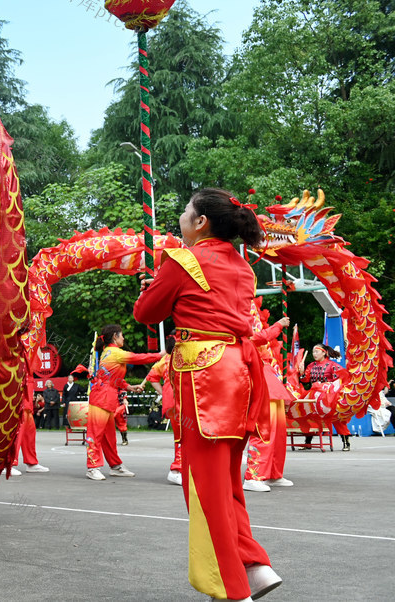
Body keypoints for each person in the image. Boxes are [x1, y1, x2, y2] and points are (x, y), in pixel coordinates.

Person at [135, 187, 282, 601]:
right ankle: (254, 565)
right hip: (239, 371)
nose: (180, 217)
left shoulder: (183, 259)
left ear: (200, 222)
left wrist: (153, 287)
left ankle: (232, 589)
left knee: (202, 486)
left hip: (203, 375)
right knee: (226, 480)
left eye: (185, 211)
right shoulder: (242, 265)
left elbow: (147, 314)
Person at [85, 325, 158, 481]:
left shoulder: (107, 353)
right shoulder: (116, 353)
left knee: (109, 436)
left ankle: (115, 466)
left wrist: (130, 387)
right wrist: (161, 355)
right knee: (96, 434)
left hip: (106, 397)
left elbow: (115, 380)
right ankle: (92, 467)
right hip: (101, 398)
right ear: (114, 337)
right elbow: (140, 358)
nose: (123, 338)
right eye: (121, 335)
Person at [243, 315, 295, 492]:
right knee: (263, 432)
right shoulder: (240, 335)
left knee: (279, 434)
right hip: (258, 384)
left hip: (271, 383)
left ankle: (273, 473)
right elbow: (259, 337)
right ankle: (253, 475)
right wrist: (279, 325)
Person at [299, 344, 353, 451]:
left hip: (328, 396)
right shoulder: (311, 365)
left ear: (324, 352)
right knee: (307, 413)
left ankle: (346, 441)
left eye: (316, 352)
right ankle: (308, 442)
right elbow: (305, 380)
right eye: (313, 352)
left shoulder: (332, 365)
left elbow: (340, 379)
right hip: (313, 396)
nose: (314, 354)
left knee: (335, 417)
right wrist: (301, 372)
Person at [145, 341, 182, 485]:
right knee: (184, 437)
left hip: (172, 400)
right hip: (181, 400)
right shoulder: (184, 356)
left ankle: (181, 469)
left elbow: (152, 377)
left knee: (181, 436)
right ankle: (177, 469)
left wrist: (164, 393)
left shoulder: (165, 359)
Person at [11, 362, 49, 473]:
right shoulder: (19, 350)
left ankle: (31, 462)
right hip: (18, 398)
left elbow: (36, 364)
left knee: (29, 433)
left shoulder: (30, 357)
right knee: (17, 433)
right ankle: (8, 463)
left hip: (26, 400)